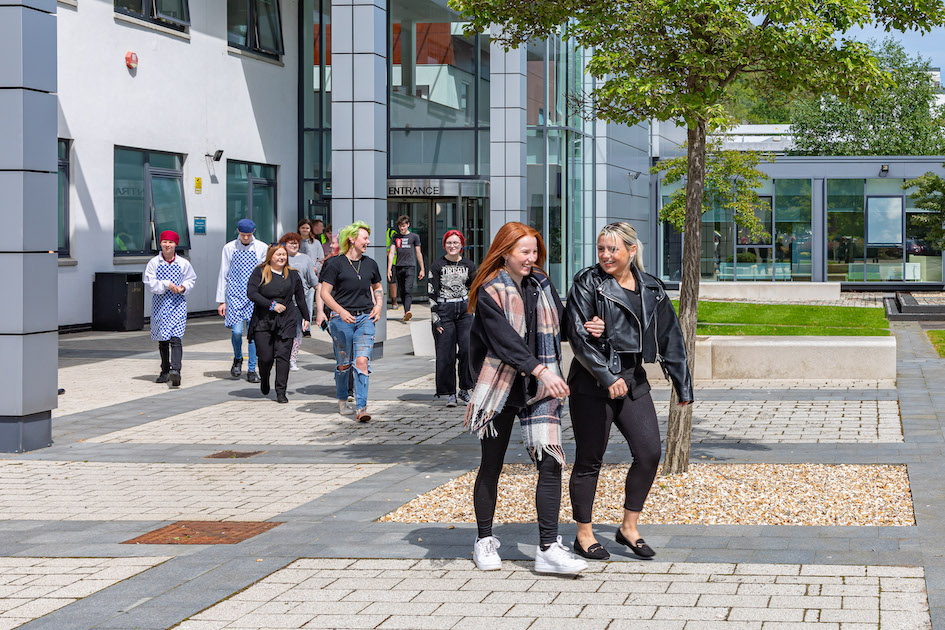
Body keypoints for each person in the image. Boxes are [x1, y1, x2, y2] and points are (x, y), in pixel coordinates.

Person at [465, 221, 597, 576]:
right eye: (525, 251)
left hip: (539, 387)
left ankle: (548, 548)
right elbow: (504, 341)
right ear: (505, 252)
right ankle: (484, 539)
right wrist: (542, 371)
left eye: (535, 251)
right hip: (502, 386)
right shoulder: (491, 291)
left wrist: (586, 327)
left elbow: (563, 320)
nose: (531, 258)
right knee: (492, 464)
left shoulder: (541, 283)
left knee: (550, 461)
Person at [566, 222, 693, 561]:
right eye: (601, 249)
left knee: (649, 452)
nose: (606, 255)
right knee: (589, 459)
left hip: (633, 378)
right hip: (593, 382)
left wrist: (683, 383)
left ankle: (628, 527)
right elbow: (577, 336)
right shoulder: (587, 282)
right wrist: (607, 376)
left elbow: (671, 336)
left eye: (613, 249)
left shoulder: (651, 287)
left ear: (631, 251)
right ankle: (584, 534)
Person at [319, 221, 383, 421]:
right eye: (365, 238)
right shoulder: (335, 264)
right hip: (341, 320)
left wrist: (379, 305)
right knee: (344, 363)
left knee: (362, 361)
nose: (368, 242)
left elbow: (378, 287)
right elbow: (324, 293)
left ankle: (361, 408)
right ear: (352, 239)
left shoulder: (370, 263)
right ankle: (342, 401)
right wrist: (339, 311)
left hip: (365, 318)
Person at [246, 243, 311, 403]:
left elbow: (301, 297)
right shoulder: (260, 272)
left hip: (287, 320)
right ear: (270, 256)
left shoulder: (293, 274)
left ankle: (281, 391)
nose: (282, 257)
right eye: (278, 255)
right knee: (266, 357)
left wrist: (306, 317)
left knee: (283, 357)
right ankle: (265, 377)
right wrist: (271, 305)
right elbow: (251, 293)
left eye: (284, 255)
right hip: (263, 320)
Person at [216, 219, 269, 383]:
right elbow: (223, 273)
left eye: (248, 235)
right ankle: (238, 358)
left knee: (253, 335)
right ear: (238, 232)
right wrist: (221, 300)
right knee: (237, 332)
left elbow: (265, 273)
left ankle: (252, 369)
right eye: (243, 234)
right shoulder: (229, 248)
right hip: (234, 295)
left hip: (254, 295)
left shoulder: (262, 247)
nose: (245, 237)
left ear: (253, 232)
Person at [428, 229, 477, 407]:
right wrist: (436, 318)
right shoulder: (437, 265)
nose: (452, 246)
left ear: (461, 245)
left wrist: (473, 311)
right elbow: (431, 292)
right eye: (449, 243)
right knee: (446, 353)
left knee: (467, 349)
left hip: (464, 311)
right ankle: (450, 393)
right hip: (444, 310)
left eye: (456, 243)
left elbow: (475, 288)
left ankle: (465, 388)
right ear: (444, 245)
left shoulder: (469, 265)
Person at [144, 230, 196, 387]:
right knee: (163, 338)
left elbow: (191, 279)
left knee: (176, 337)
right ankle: (164, 370)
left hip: (177, 304)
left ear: (175, 244)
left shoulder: (183, 263)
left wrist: (183, 287)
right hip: (160, 304)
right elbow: (149, 283)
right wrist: (166, 284)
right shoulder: (154, 263)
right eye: (165, 241)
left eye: (171, 242)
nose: (167, 245)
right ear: (160, 243)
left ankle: (176, 370)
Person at [281, 232, 320, 371]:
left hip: (299, 301)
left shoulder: (305, 259)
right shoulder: (281, 257)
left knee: (297, 330)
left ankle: (292, 358)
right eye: (290, 242)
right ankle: (281, 356)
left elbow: (312, 279)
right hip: (282, 301)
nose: (293, 245)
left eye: (296, 242)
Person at [387, 215, 424, 322]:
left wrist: (422, 268)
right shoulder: (395, 237)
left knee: (408, 289)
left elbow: (418, 253)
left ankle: (407, 311)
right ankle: (405, 312)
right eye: (400, 226)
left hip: (410, 266)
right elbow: (391, 253)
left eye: (404, 226)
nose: (402, 228)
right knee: (402, 290)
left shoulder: (414, 237)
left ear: (408, 225)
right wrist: (389, 268)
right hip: (398, 266)